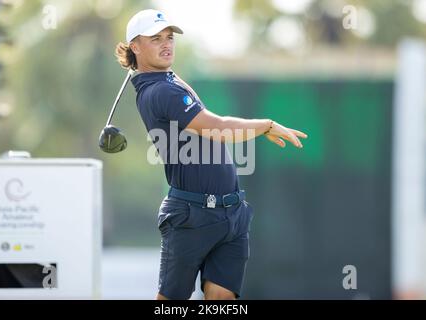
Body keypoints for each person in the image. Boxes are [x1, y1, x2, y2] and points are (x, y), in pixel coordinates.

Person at [115, 9, 308, 300]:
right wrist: (265, 125)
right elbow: (216, 128)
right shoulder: (160, 91)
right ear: (136, 47)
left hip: (230, 215)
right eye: (156, 39)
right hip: (192, 216)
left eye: (169, 37)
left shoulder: (166, 80)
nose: (167, 44)